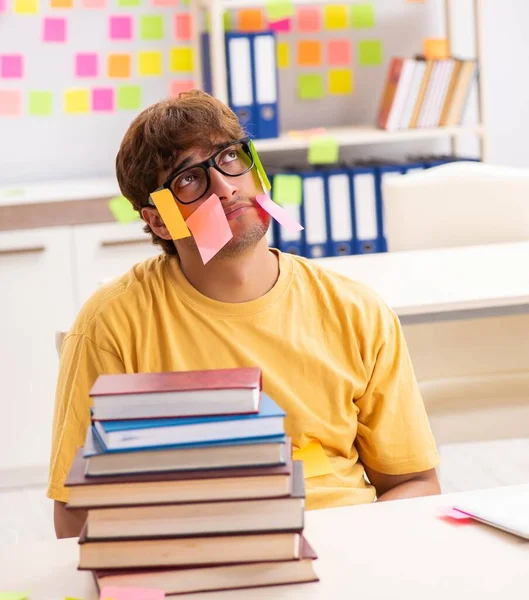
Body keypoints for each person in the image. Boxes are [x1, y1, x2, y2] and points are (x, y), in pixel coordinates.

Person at [48, 90, 440, 538]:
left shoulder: (357, 310)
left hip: (343, 542)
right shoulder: (112, 325)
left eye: (230, 157)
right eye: (189, 180)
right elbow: (76, 511)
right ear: (159, 221)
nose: (226, 187)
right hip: (199, 556)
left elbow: (414, 481)